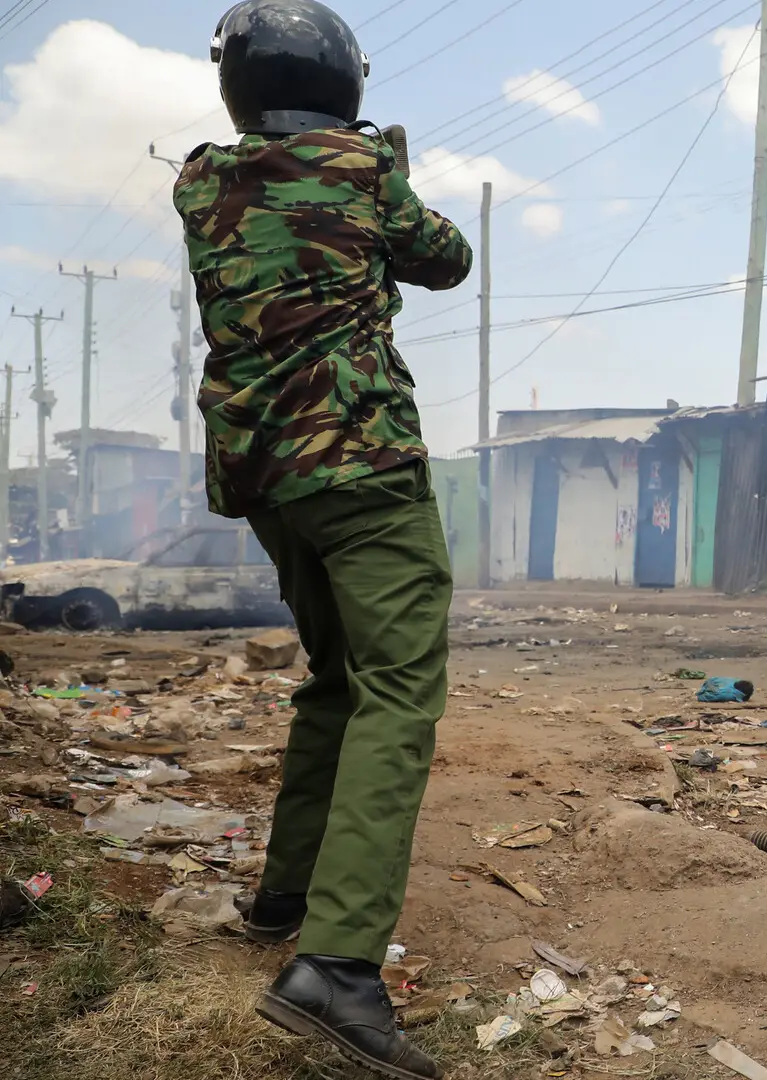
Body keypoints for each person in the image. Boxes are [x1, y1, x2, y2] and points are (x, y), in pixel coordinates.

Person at [173, 3, 471, 1077]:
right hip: (361, 466)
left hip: (263, 476)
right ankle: (337, 970)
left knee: (337, 680)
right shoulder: (362, 168)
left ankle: (286, 893)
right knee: (399, 690)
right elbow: (448, 259)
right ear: (344, 76)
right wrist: (391, 162)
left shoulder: (201, 181)